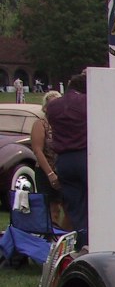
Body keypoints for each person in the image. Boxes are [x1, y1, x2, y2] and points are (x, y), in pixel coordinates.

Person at [46, 73, 88, 245]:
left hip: (63, 160)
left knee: (73, 206)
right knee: (92, 202)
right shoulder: (86, 102)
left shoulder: (53, 106)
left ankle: (79, 240)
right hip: (84, 156)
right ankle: (89, 241)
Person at [30, 90, 64, 229]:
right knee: (52, 209)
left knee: (68, 208)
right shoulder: (40, 124)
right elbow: (37, 150)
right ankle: (50, 238)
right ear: (45, 108)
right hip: (46, 171)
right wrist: (50, 174)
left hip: (62, 170)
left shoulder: (64, 124)